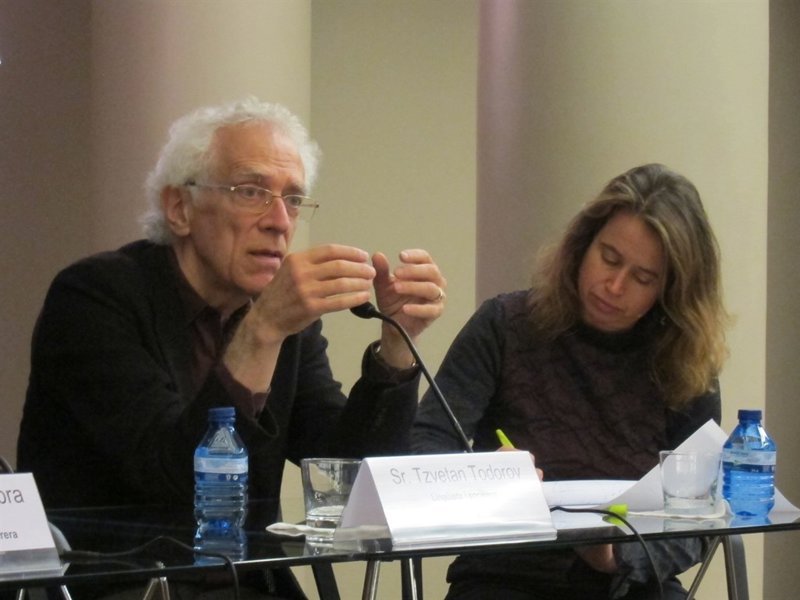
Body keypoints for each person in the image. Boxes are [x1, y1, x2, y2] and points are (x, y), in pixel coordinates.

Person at [17, 97, 446, 598]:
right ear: (180, 208)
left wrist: (396, 348)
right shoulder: (94, 298)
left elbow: (347, 476)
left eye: (293, 199)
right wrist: (262, 332)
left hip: (249, 586)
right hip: (126, 584)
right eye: (251, 191)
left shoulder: (283, 320)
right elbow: (169, 479)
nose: (280, 221)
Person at [412, 163, 729, 600]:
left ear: (671, 290)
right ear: (583, 245)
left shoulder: (684, 362)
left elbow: (699, 516)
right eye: (609, 258)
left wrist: (617, 556)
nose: (614, 285)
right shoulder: (505, 325)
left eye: (642, 278)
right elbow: (425, 447)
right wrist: (482, 475)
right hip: (504, 576)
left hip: (628, 583)